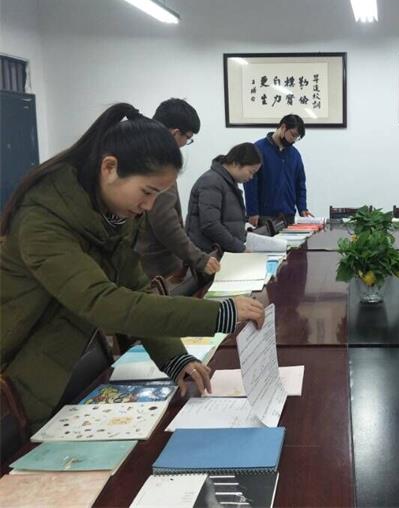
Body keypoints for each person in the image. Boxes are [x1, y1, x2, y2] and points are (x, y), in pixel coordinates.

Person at [0, 103, 265, 432]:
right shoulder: (42, 221)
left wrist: (174, 357)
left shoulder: (113, 215)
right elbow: (105, 303)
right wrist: (220, 313)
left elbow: (136, 288)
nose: (150, 206)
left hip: (55, 371)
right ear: (109, 168)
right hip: (13, 385)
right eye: (147, 192)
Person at [135, 98, 220, 278]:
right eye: (187, 138)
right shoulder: (159, 162)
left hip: (148, 262)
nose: (184, 144)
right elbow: (165, 222)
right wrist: (199, 259)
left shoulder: (140, 152)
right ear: (175, 133)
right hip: (157, 268)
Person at [186, 143, 262, 253]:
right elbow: (210, 225)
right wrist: (239, 248)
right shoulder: (211, 182)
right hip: (209, 254)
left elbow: (230, 221)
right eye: (251, 172)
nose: (251, 177)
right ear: (236, 163)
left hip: (223, 251)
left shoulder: (228, 182)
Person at [245, 114, 313, 226]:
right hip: (264, 216)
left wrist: (302, 208)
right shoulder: (258, 149)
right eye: (293, 135)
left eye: (297, 138)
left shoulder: (295, 155)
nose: (293, 140)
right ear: (283, 127)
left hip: (288, 215)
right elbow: (250, 183)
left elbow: (300, 184)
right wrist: (252, 211)